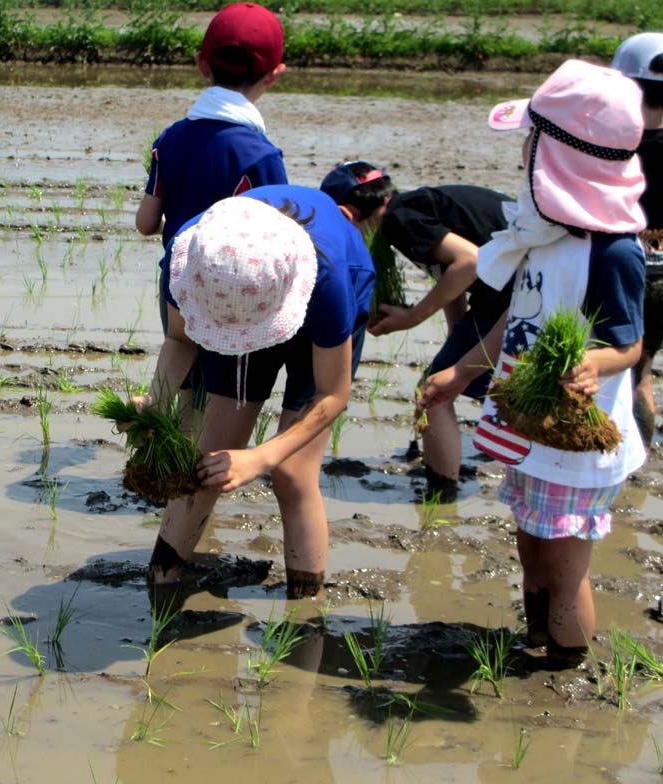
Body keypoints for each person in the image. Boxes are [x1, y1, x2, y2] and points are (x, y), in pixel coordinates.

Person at [419, 60, 647, 669]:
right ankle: (535, 639)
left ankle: (565, 666)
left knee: (564, 565)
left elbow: (630, 344)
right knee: (530, 543)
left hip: (575, 440)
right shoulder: (544, 232)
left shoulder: (612, 250)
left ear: (562, 158)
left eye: (533, 139)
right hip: (530, 427)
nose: (524, 149)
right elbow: (512, 321)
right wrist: (464, 370)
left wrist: (598, 361)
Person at [140, 185, 374, 600]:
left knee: (293, 473)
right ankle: (161, 583)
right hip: (240, 296)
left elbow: (333, 394)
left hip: (313, 296)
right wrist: (156, 401)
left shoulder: (331, 282)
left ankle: (304, 608)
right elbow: (180, 342)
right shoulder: (194, 256)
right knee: (206, 459)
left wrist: (260, 458)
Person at [320, 162, 513, 500]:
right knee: (462, 380)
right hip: (529, 287)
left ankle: (442, 497)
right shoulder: (415, 206)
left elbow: (469, 261)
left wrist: (413, 317)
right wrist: (456, 346)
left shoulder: (398, 219)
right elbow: (451, 277)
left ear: (349, 214)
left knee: (433, 393)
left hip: (513, 294)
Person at [135, 1, 288, 330]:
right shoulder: (261, 157)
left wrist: (182, 224)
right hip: (233, 295)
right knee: (224, 384)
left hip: (176, 285)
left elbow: (147, 223)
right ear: (275, 74)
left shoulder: (169, 139)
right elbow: (277, 242)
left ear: (201, 64)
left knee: (178, 374)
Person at [612, 32, 663, 444]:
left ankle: (627, 457)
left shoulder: (609, 143)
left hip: (623, 265)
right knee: (643, 369)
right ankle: (642, 452)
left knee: (621, 370)